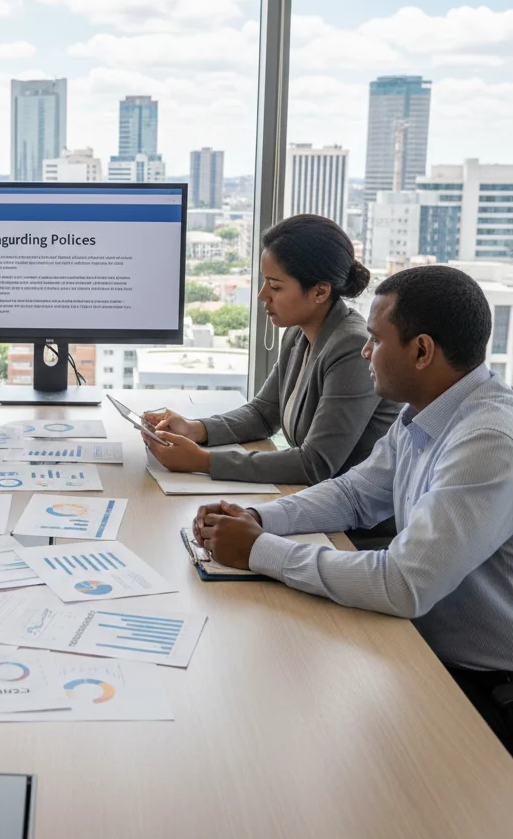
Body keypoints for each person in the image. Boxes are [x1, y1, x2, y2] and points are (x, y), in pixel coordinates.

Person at [193, 265, 513, 755]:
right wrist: (259, 519)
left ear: (422, 350)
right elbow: (354, 494)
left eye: (376, 340)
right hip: (419, 649)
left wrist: (261, 552)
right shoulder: (423, 412)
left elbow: (404, 585)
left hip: (483, 687)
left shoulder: (487, 440)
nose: (365, 351)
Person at [144, 215, 400, 487]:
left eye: (276, 286)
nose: (262, 295)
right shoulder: (299, 332)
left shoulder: (351, 348)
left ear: (320, 292)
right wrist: (194, 429)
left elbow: (316, 465)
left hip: (357, 523)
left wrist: (201, 461)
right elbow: (263, 414)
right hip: (315, 500)